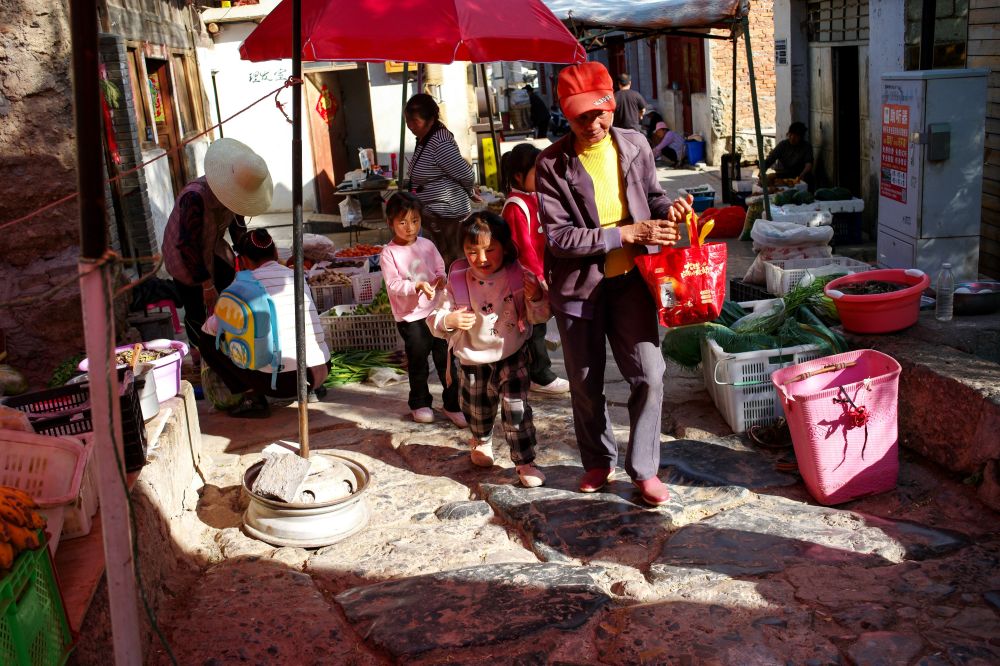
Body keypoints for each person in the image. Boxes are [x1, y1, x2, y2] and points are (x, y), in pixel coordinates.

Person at [535, 61, 692, 507]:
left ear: (611, 106)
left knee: (650, 374)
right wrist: (624, 234)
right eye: (580, 117)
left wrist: (668, 211)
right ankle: (598, 461)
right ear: (566, 116)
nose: (592, 125)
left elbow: (653, 197)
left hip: (631, 283)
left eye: (599, 114)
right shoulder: (551, 165)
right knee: (586, 384)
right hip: (577, 289)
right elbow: (560, 238)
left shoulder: (635, 144)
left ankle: (644, 468)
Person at [429, 213, 550, 488]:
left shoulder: (519, 276)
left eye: (489, 249)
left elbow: (541, 315)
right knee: (477, 408)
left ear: (505, 247)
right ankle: (481, 440)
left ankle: (525, 462)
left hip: (512, 353)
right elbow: (434, 318)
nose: (481, 258)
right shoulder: (457, 281)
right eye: (472, 251)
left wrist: (536, 296)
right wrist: (449, 320)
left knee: (516, 408)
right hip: (472, 359)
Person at [200, 229, 331, 418]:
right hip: (320, 371)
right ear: (276, 253)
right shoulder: (297, 276)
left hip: (281, 383)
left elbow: (211, 328)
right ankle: (312, 390)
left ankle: (252, 398)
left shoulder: (241, 287)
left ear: (243, 260)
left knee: (206, 339)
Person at [163, 138, 273, 353]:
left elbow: (238, 231)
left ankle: (225, 345)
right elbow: (188, 246)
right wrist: (206, 286)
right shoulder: (194, 197)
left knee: (227, 291)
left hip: (212, 244)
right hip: (183, 253)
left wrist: (254, 264)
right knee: (197, 308)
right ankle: (201, 355)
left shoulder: (236, 195)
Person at [380, 192, 467, 428]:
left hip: (437, 312)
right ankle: (420, 403)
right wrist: (416, 286)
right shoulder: (388, 253)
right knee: (418, 361)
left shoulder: (427, 245)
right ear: (390, 223)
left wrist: (441, 279)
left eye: (415, 221)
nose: (410, 227)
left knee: (446, 359)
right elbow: (393, 285)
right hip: (411, 317)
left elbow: (440, 268)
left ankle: (453, 404)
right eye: (403, 222)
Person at [499, 144, 569, 395]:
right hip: (528, 280)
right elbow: (523, 248)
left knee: (538, 325)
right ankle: (540, 374)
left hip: (540, 274)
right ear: (519, 176)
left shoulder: (534, 198)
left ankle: (534, 370)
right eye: (537, 172)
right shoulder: (515, 206)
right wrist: (539, 277)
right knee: (534, 328)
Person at [404, 93, 477, 268]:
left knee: (451, 265)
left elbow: (466, 174)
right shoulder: (425, 138)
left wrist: (470, 192)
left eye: (415, 121)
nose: (410, 126)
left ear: (430, 120)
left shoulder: (439, 142)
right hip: (435, 217)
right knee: (439, 266)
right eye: (407, 121)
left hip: (448, 218)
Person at [762, 121, 814, 186]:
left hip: (800, 175)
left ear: (801, 137)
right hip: (784, 174)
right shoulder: (783, 145)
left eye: (796, 136)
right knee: (769, 178)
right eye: (791, 134)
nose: (792, 138)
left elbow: (808, 165)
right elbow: (771, 158)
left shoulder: (806, 147)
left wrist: (802, 175)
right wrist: (762, 170)